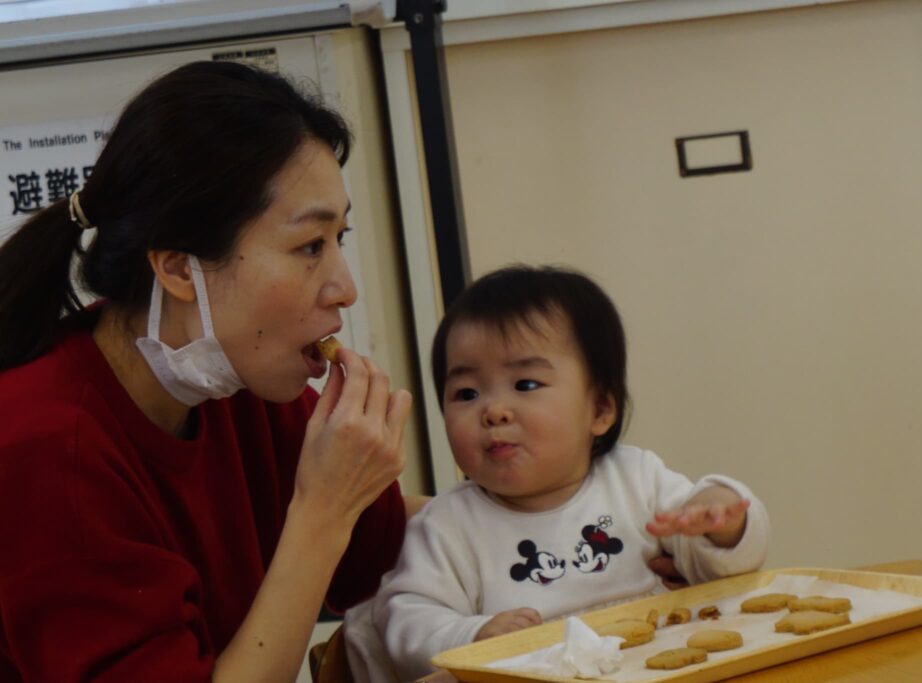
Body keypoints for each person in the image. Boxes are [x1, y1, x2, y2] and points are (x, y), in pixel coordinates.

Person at [0, 61, 419, 683]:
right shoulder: (48, 450)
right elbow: (329, 525)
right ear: (177, 268)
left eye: (341, 239)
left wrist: (554, 504)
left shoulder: (239, 377)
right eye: (310, 246)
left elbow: (380, 546)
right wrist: (324, 511)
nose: (345, 287)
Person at [344, 265, 771, 682]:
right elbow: (406, 620)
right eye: (467, 393)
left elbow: (722, 563)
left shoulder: (637, 479)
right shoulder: (448, 525)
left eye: (525, 385)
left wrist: (720, 521)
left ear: (600, 409)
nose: (494, 410)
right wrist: (473, 635)